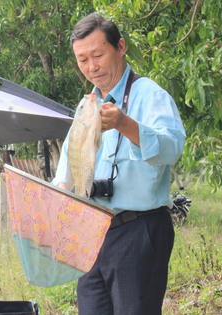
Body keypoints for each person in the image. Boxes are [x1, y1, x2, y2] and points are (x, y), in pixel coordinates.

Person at [52, 13, 186, 315]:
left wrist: (125, 124)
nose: (92, 67)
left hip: (138, 229)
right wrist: (62, 189)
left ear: (121, 47)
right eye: (83, 60)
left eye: (98, 55)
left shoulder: (150, 95)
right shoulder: (88, 103)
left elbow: (171, 148)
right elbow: (70, 158)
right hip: (92, 231)